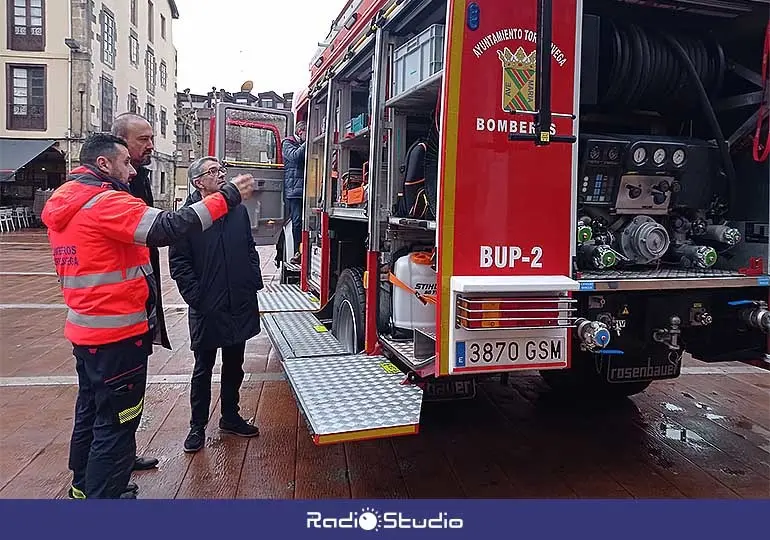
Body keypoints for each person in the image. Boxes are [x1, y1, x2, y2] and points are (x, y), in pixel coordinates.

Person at [41, 133, 255, 499]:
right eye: (127, 162)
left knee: (91, 412)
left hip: (88, 330)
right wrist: (229, 196)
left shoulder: (68, 200)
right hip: (117, 336)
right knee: (117, 422)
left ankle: (83, 485)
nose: (132, 170)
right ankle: (105, 502)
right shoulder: (104, 203)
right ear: (104, 164)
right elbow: (170, 229)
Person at [168, 156, 263, 453]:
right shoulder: (188, 216)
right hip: (208, 305)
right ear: (198, 182)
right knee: (203, 368)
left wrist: (251, 282)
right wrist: (198, 298)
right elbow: (179, 264)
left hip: (239, 299)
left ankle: (230, 416)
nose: (221, 175)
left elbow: (249, 247)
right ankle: (197, 426)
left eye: (221, 170)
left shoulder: (237, 211)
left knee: (235, 364)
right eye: (213, 171)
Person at [111, 112, 166, 474]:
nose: (151, 145)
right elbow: (159, 230)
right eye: (143, 139)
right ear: (121, 143)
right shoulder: (114, 191)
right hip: (117, 317)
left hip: (136, 304)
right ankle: (111, 474)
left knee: (126, 399)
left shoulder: (137, 179)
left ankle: (122, 457)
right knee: (115, 401)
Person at [281, 121, 306, 263]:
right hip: (294, 190)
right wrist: (308, 143)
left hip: (306, 190)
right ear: (299, 132)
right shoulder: (287, 143)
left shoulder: (300, 144)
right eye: (306, 133)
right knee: (296, 221)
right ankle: (298, 251)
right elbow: (295, 157)